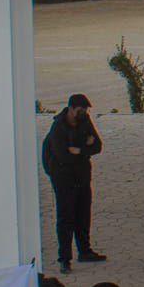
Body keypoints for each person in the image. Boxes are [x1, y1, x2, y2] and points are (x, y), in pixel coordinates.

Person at [43, 94, 105, 274]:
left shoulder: (85, 122)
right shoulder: (58, 127)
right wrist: (84, 150)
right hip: (63, 179)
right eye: (80, 109)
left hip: (82, 177)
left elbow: (98, 146)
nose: (83, 112)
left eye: (85, 109)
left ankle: (84, 251)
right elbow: (62, 155)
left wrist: (79, 150)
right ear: (70, 108)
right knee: (65, 218)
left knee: (83, 216)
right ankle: (64, 258)